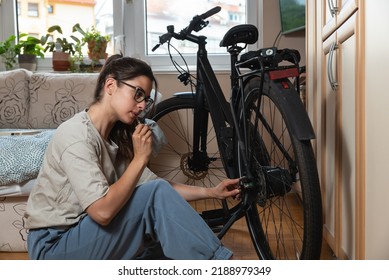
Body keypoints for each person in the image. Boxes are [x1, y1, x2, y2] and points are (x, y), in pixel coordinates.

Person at [24, 54, 241, 260]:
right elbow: (102, 212)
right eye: (137, 94)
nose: (141, 105)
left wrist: (212, 192)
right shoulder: (76, 135)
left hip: (84, 235)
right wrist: (139, 159)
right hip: (54, 247)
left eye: (145, 99)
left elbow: (160, 190)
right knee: (156, 206)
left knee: (168, 236)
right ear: (110, 86)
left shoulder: (116, 137)